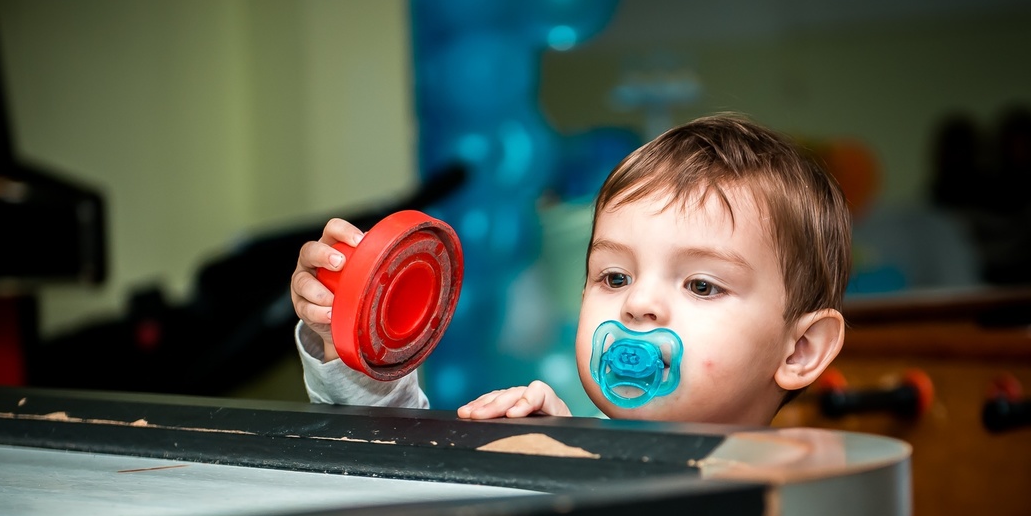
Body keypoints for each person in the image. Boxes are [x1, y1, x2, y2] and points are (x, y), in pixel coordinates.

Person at [290, 114, 851, 426]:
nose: (637, 305)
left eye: (701, 284)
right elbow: (394, 477)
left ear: (799, 350)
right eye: (614, 277)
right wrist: (554, 464)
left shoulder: (797, 503)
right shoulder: (557, 445)